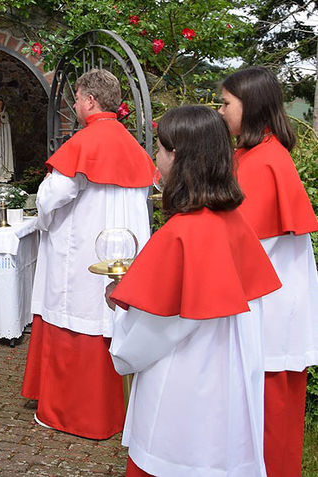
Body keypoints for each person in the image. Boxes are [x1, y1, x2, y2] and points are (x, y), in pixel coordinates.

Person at [108, 105, 280, 476]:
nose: (156, 156)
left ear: (179, 157)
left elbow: (151, 333)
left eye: (160, 148)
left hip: (183, 390)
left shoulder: (181, 233)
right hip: (229, 385)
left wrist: (121, 307)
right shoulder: (233, 222)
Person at [18, 68, 155, 439]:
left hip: (83, 254)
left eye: (77, 99)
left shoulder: (84, 142)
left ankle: (70, 412)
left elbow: (51, 196)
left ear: (90, 102)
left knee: (75, 314)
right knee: (110, 320)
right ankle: (119, 410)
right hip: (124, 253)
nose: (75, 105)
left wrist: (43, 217)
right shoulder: (132, 145)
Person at [220, 67, 318, 477]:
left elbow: (244, 249)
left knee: (271, 424)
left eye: (226, 103)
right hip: (269, 304)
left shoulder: (262, 163)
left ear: (252, 106)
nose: (221, 112)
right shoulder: (255, 153)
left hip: (273, 314)